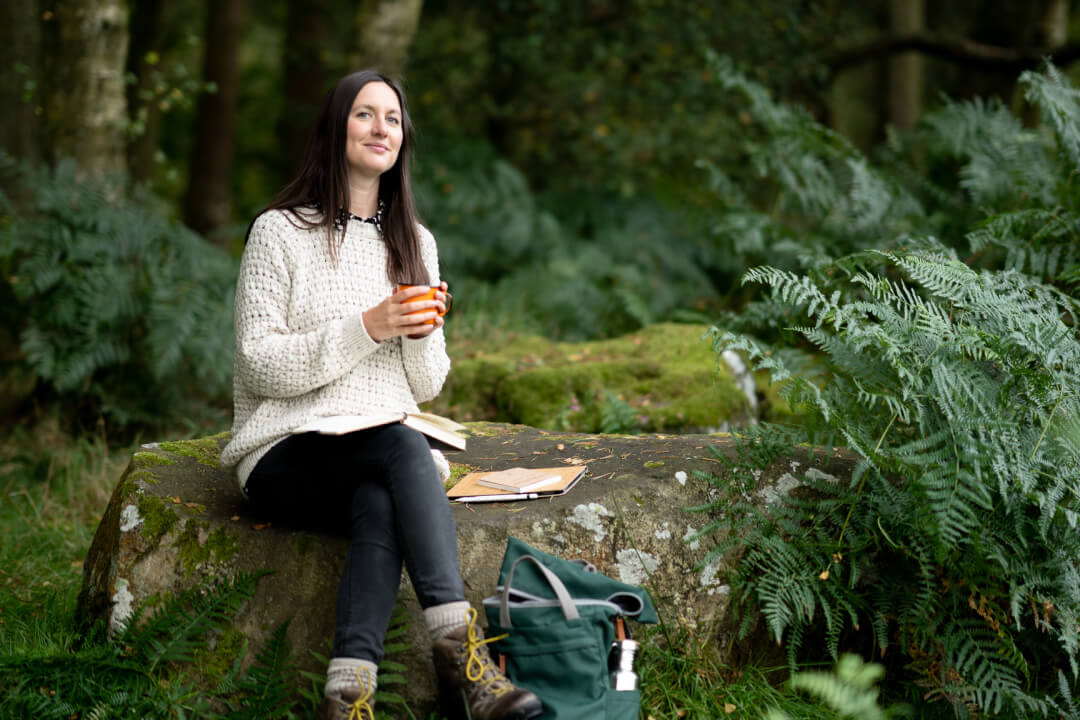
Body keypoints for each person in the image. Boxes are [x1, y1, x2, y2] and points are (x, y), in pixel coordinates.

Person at [219, 70, 543, 720]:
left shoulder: (415, 243)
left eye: (392, 119)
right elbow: (258, 365)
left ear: (402, 139)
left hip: (376, 458)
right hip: (285, 451)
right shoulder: (279, 232)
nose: (380, 129)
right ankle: (466, 661)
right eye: (365, 114)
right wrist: (369, 327)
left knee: (382, 498)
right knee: (408, 453)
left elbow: (426, 383)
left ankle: (348, 697)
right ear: (335, 128)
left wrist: (422, 331)